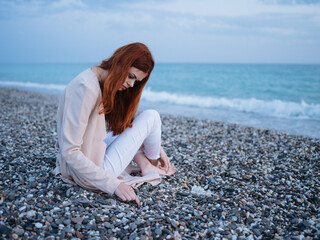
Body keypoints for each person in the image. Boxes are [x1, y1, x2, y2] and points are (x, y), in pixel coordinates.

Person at [55, 42, 176, 206]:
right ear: (120, 63)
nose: (132, 84)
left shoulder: (95, 80)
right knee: (152, 116)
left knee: (127, 125)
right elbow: (69, 151)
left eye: (137, 81)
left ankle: (147, 164)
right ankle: (151, 165)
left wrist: (154, 146)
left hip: (91, 157)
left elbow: (114, 128)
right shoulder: (86, 89)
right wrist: (114, 185)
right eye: (131, 76)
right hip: (88, 173)